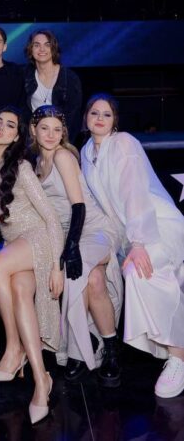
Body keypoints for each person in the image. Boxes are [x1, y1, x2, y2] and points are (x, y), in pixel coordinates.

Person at [81, 93, 184, 399]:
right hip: (131, 235)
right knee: (134, 274)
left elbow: (135, 192)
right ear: (86, 118)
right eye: (95, 113)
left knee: (140, 274)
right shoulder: (86, 153)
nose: (100, 118)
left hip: (158, 225)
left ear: (115, 121)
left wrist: (138, 243)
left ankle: (178, 357)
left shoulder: (124, 143)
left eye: (107, 114)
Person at [0, 105, 64, 424]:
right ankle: (42, 380)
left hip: (38, 238)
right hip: (15, 245)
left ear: (17, 135)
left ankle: (13, 348)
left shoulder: (22, 166)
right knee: (21, 294)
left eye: (10, 125)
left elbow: (51, 219)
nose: (2, 128)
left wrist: (57, 266)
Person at [31, 105, 123, 387]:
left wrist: (70, 249)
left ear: (64, 133)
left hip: (94, 229)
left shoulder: (62, 156)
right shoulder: (36, 163)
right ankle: (108, 347)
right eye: (45, 128)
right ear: (34, 130)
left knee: (75, 271)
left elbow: (78, 206)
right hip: (69, 234)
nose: (51, 135)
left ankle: (76, 352)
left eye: (57, 130)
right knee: (94, 280)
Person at [24, 30, 82, 143]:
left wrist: (61, 143)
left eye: (47, 45)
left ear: (54, 48)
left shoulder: (69, 78)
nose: (42, 49)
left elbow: (73, 117)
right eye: (36, 45)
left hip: (60, 139)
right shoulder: (25, 75)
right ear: (30, 49)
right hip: (33, 139)